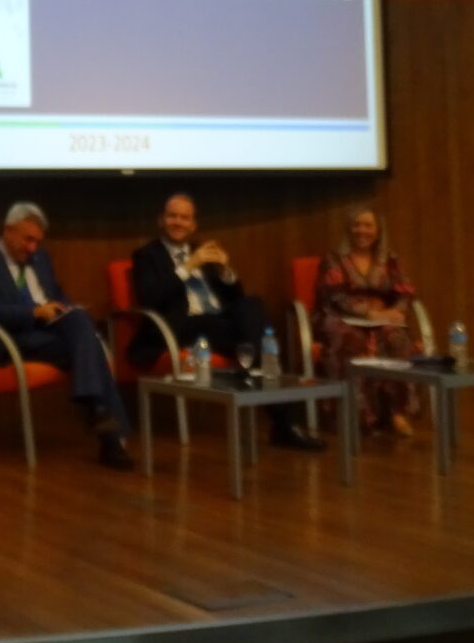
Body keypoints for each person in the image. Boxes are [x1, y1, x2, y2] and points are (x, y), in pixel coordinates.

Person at [129, 193, 326, 451]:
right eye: (172, 216)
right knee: (253, 342)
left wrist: (225, 271)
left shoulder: (203, 252)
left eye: (184, 218)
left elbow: (235, 298)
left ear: (193, 225)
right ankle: (283, 421)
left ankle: (252, 369)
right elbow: (151, 297)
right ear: (161, 221)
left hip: (218, 324)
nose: (178, 222)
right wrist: (188, 267)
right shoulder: (147, 255)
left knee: (252, 304)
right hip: (179, 326)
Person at [0, 203, 134, 470]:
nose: (33, 248)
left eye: (37, 241)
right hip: (11, 337)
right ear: (8, 230)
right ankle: (110, 437)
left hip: (48, 331)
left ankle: (98, 412)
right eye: (27, 239)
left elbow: (55, 295)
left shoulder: (40, 258)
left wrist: (65, 307)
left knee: (79, 319)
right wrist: (32, 313)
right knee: (91, 348)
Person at [314, 206, 422, 436]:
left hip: (381, 318)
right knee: (353, 342)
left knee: (397, 339)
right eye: (356, 225)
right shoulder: (334, 259)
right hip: (340, 317)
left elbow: (405, 291)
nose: (361, 230)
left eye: (367, 225)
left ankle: (397, 413)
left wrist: (395, 311)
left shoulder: (389, 259)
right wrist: (367, 313)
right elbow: (335, 296)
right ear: (348, 229)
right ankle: (357, 416)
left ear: (378, 230)